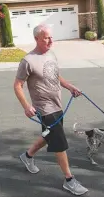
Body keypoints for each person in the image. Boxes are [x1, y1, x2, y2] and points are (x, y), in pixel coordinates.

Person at [13, 24, 89, 196]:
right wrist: (27, 106)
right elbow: (17, 85)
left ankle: (28, 155)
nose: (51, 41)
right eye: (46, 38)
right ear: (36, 39)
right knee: (59, 142)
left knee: (49, 136)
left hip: (57, 104)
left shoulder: (51, 54)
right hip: (44, 108)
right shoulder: (28, 61)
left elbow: (55, 75)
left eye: (51, 37)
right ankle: (69, 180)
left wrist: (69, 86)